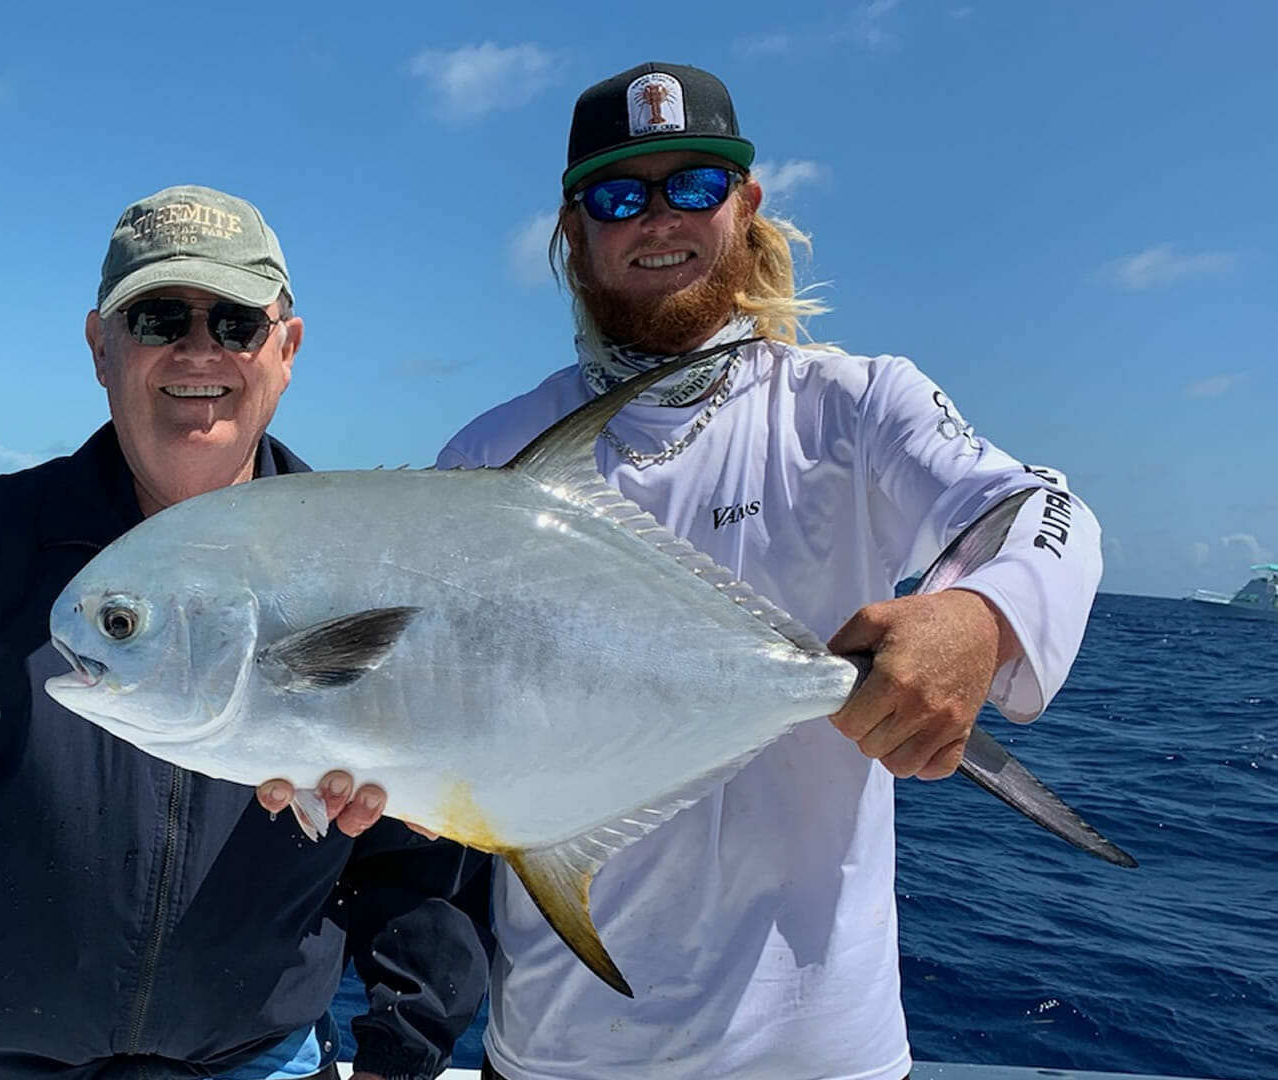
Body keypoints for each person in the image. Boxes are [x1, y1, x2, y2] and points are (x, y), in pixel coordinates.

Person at [261, 61, 1105, 1080]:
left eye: (694, 186)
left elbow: (1044, 510)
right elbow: (446, 722)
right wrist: (348, 763)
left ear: (746, 208)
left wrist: (983, 618)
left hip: (821, 1055)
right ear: (574, 231)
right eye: (621, 195)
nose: (658, 219)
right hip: (557, 1051)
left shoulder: (854, 406)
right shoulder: (490, 456)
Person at [0, 183, 489, 1080]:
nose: (200, 350)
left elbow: (430, 856)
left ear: (287, 348)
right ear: (100, 346)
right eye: (159, 316)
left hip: (256, 1065)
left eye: (236, 322)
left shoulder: (369, 573)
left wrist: (402, 1053)